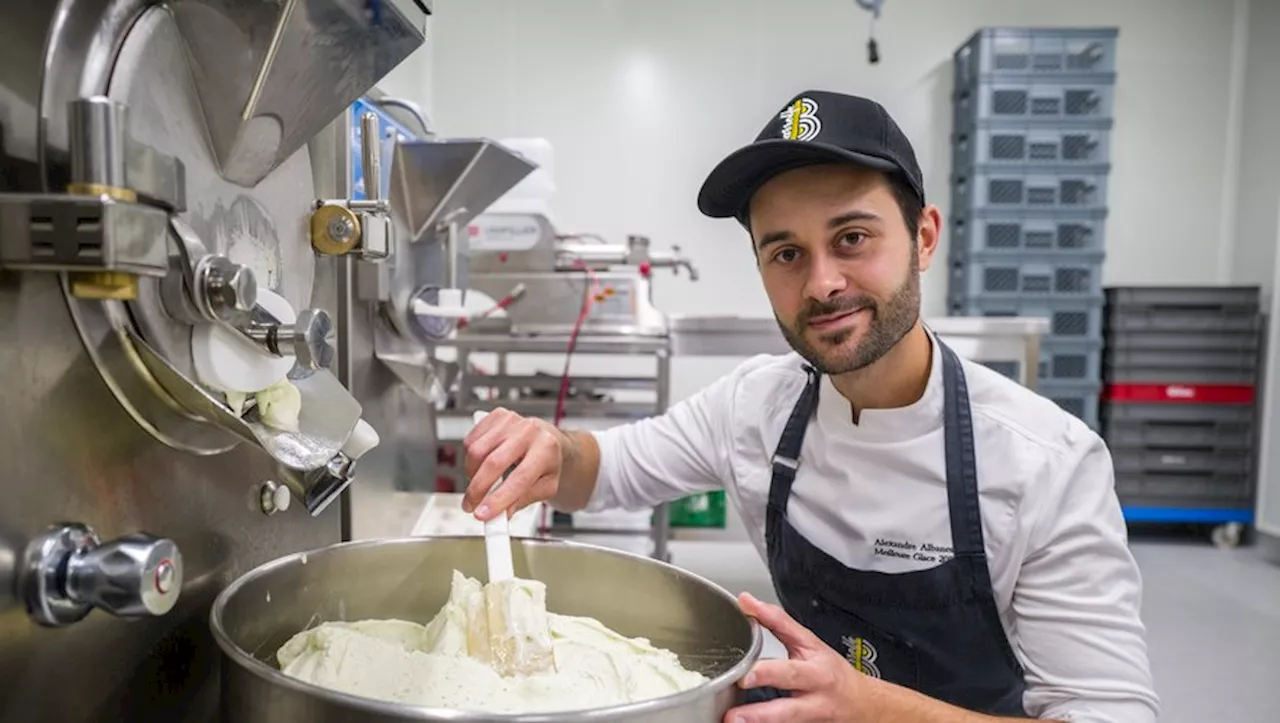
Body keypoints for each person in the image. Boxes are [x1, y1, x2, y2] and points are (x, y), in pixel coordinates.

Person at [461, 90, 1159, 723]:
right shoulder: (753, 408)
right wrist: (552, 447)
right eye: (787, 252)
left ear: (923, 236)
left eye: (852, 238)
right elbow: (606, 469)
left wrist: (871, 707)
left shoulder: (1047, 464)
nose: (823, 283)